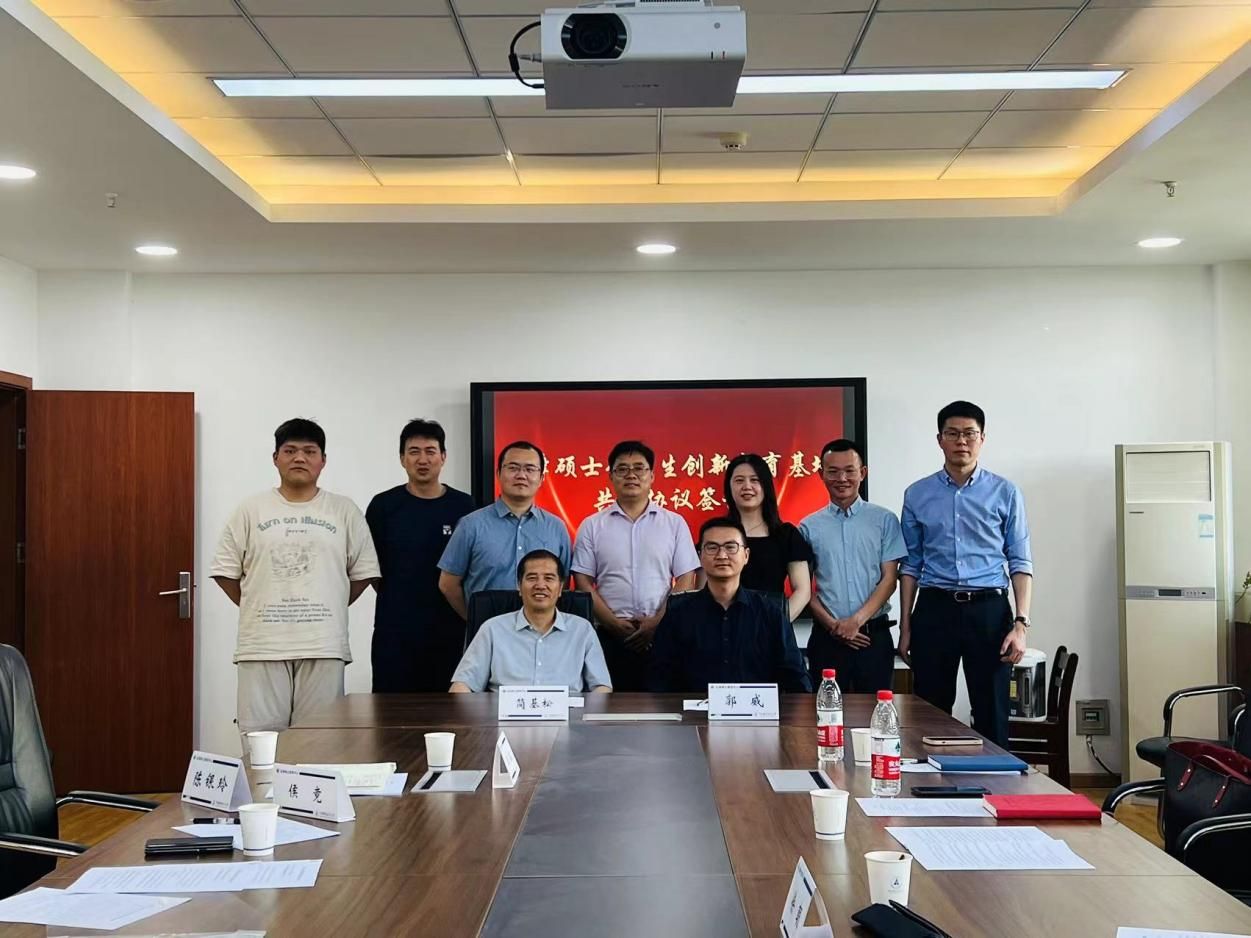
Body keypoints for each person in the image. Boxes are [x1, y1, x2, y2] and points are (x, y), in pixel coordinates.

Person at [211, 418, 379, 733]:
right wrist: (260, 605)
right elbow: (225, 572)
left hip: (323, 645)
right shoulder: (250, 509)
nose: (299, 458)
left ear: (323, 460)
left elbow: (362, 574)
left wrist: (328, 603)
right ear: (275, 458)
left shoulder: (344, 511)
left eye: (309, 451)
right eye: (290, 451)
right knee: (261, 740)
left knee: (320, 741)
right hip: (262, 646)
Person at [898, 401, 1033, 750]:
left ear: (982, 439)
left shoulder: (1005, 492)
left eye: (970, 434)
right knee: (929, 711)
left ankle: (995, 781)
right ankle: (928, 779)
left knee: (991, 711)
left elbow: (1020, 562)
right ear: (939, 439)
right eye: (953, 433)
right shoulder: (917, 494)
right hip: (935, 608)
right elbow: (910, 566)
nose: (962, 441)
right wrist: (906, 627)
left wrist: (1020, 625)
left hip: (989, 610)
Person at [572, 440, 701, 690]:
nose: (631, 475)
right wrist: (613, 624)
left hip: (662, 635)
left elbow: (686, 578)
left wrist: (657, 622)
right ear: (611, 477)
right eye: (622, 469)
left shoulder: (674, 523)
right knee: (608, 706)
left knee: (662, 707)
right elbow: (583, 581)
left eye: (639, 468)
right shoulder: (592, 525)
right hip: (607, 637)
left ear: (652, 476)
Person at [365, 418, 476, 692]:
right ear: (402, 459)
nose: (422, 459)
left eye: (430, 451)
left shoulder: (464, 506)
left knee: (451, 709)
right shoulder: (383, 506)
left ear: (443, 456)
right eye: (414, 452)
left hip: (450, 629)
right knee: (391, 710)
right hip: (395, 630)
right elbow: (370, 568)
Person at [648, 517, 811, 693]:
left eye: (731, 547)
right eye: (712, 547)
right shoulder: (679, 614)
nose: (722, 555)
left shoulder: (770, 613)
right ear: (700, 556)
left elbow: (797, 678)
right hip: (695, 709)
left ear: (746, 555)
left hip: (756, 709)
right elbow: (659, 678)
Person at [799, 439, 907, 694]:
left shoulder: (884, 520)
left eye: (849, 470)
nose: (842, 478)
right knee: (825, 712)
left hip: (873, 637)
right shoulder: (808, 527)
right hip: (826, 639)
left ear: (863, 473)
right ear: (821, 474)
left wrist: (855, 622)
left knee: (875, 712)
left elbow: (889, 580)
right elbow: (802, 588)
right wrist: (834, 626)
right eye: (833, 471)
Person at [438, 440, 571, 621]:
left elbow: (563, 584)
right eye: (513, 468)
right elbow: (448, 584)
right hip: (486, 631)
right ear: (499, 474)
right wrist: (474, 621)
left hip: (542, 632)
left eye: (530, 469)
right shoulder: (471, 525)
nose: (521, 475)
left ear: (541, 478)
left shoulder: (556, 527)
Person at [449, 550, 612, 693]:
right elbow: (462, 684)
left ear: (560, 587)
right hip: (501, 717)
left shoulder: (582, 630)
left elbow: (601, 687)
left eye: (549, 578)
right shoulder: (492, 629)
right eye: (532, 578)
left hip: (569, 717)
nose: (540, 585)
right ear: (519, 586)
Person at [724, 453, 813, 621]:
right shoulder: (717, 533)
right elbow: (702, 591)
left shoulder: (786, 534)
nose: (747, 486)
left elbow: (803, 591)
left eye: (755, 480)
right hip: (725, 629)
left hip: (772, 627)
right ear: (729, 488)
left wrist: (776, 625)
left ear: (766, 486)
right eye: (739, 480)